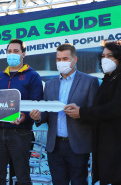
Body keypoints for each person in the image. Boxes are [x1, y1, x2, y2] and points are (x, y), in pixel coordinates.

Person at [30, 43, 99, 185]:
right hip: (54, 146)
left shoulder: (90, 82)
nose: (61, 62)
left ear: (75, 60)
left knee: (79, 182)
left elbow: (94, 113)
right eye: (59, 59)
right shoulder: (50, 84)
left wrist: (80, 113)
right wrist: (38, 117)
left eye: (65, 58)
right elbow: (46, 112)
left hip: (78, 145)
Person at [64, 41, 121, 185]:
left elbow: (116, 107)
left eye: (110, 56)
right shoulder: (109, 79)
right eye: (103, 56)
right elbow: (98, 108)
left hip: (117, 145)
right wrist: (79, 111)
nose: (105, 59)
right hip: (106, 144)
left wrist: (82, 112)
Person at [0, 39, 43, 185]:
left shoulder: (33, 76)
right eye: (9, 51)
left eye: (16, 51)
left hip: (20, 132)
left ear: (23, 54)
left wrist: (24, 116)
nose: (12, 54)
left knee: (22, 176)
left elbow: (36, 103)